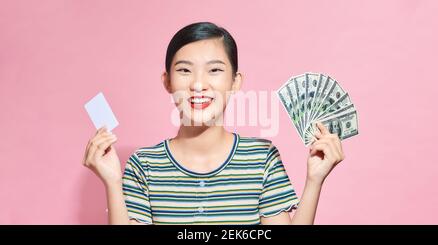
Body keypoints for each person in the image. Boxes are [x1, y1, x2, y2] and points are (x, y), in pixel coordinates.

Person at [82, 22, 345, 225]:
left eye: (215, 70)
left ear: (235, 82)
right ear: (167, 82)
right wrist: (113, 183)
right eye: (184, 70)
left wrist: (314, 181)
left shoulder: (262, 159)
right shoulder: (145, 165)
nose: (198, 84)